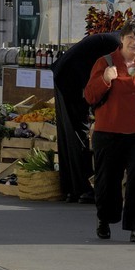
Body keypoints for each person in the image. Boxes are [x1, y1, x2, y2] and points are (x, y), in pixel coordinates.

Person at [83, 18, 135, 244]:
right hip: (110, 131)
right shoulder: (105, 62)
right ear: (122, 39)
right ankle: (105, 220)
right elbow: (89, 96)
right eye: (131, 37)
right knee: (107, 180)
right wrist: (105, 80)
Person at [52, 30, 122, 202]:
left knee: (68, 133)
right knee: (79, 134)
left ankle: (71, 188)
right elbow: (113, 80)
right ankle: (84, 187)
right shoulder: (116, 47)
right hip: (71, 80)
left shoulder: (113, 39)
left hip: (64, 74)